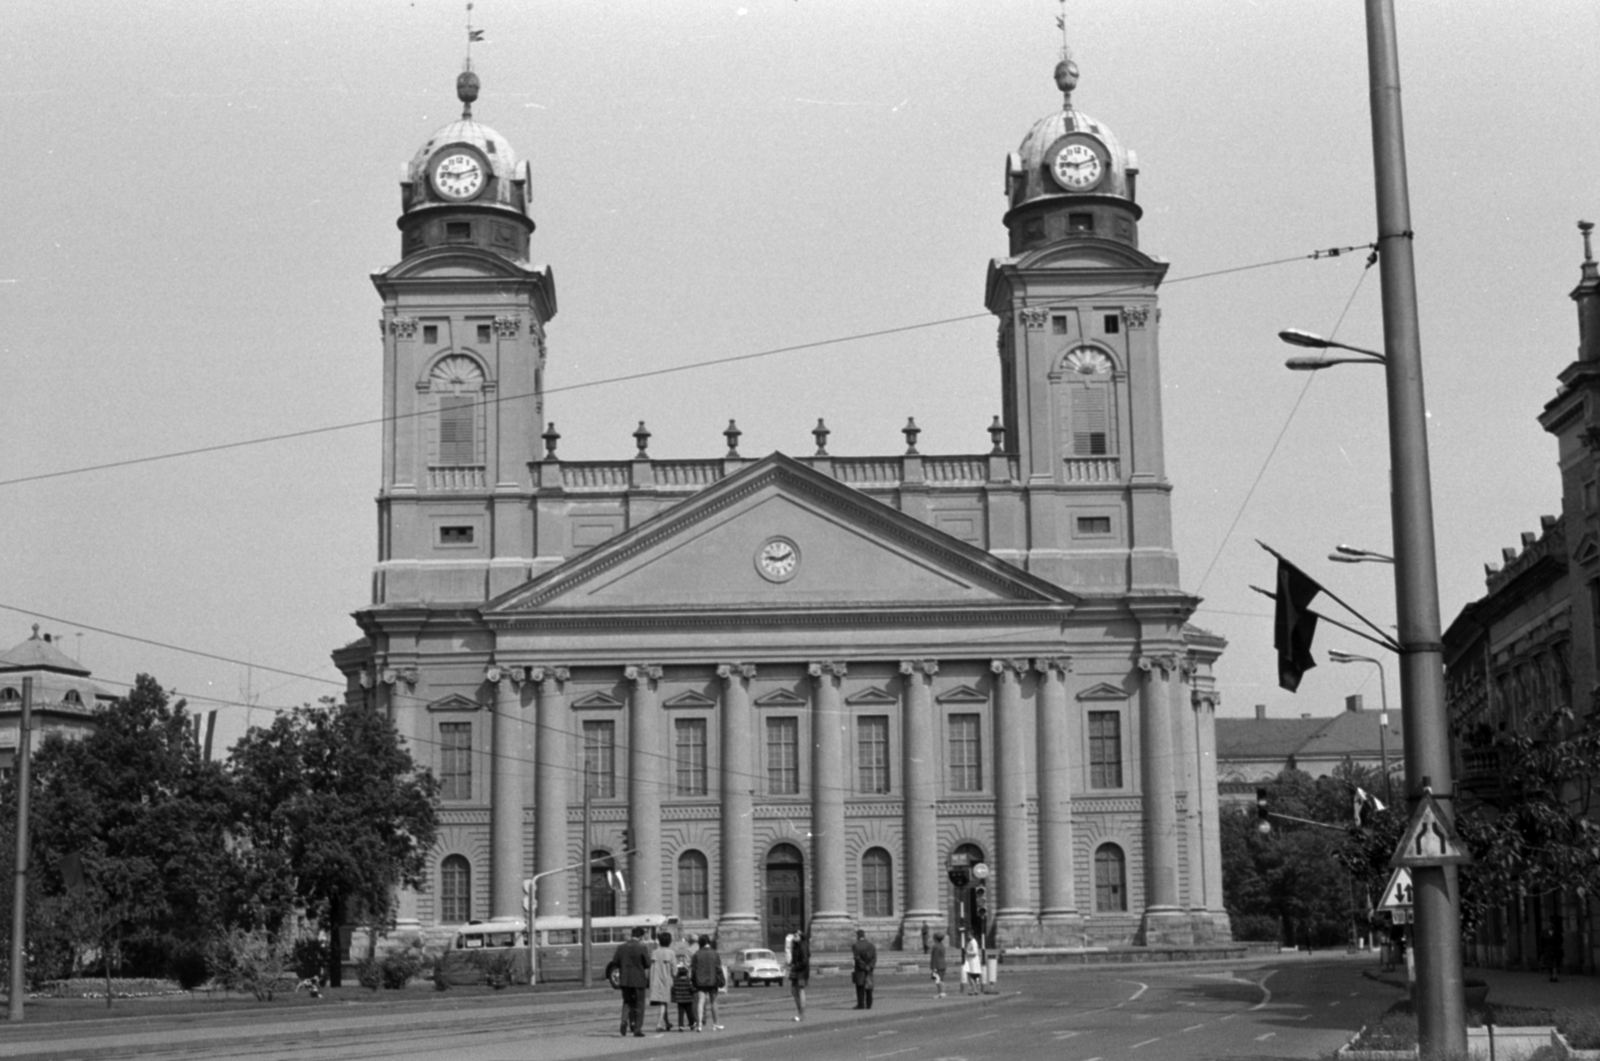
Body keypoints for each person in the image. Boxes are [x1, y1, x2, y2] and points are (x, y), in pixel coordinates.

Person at [612, 925, 652, 1037]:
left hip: (625, 978)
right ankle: (637, 1029)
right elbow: (648, 963)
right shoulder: (642, 947)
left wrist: (623, 966)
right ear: (640, 936)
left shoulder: (621, 947)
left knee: (627, 1001)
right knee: (640, 1004)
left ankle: (624, 1021)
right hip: (638, 979)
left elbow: (615, 961)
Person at [690, 934, 723, 1031]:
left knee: (700, 1002)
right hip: (713, 980)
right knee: (713, 1002)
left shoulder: (697, 954)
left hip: (700, 981)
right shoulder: (714, 953)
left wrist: (693, 980)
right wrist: (721, 979)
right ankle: (715, 1023)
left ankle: (699, 1024)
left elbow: (694, 969)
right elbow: (718, 968)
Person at [649, 931, 677, 1031]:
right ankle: (659, 1024)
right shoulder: (671, 953)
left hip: (655, 979)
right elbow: (674, 970)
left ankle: (667, 1022)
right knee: (663, 1002)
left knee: (663, 1002)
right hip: (666, 980)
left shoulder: (654, 952)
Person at [851, 928, 877, 1010]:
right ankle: (869, 1004)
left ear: (858, 936)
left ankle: (861, 1004)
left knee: (860, 987)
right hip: (869, 969)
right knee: (868, 986)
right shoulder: (871, 945)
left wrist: (863, 966)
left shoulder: (855, 945)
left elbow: (857, 958)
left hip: (860, 969)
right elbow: (874, 958)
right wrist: (869, 966)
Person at [788, 929, 809, 1021]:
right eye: (794, 935)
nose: (794, 936)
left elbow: (804, 962)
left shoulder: (803, 946)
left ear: (800, 937)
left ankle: (802, 1014)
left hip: (802, 973)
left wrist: (795, 966)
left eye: (796, 935)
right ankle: (800, 1012)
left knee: (800, 991)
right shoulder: (796, 946)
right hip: (796, 972)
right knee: (793, 990)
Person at [671, 959, 697, 1031]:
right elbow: (692, 989)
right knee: (690, 1013)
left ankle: (681, 1025)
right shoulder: (688, 981)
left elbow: (673, 989)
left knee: (680, 1014)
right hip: (688, 999)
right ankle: (692, 1023)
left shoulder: (676, 982)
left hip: (679, 1000)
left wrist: (674, 997)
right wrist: (694, 991)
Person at [929, 931, 947, 998]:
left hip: (937, 965)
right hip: (943, 964)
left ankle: (941, 993)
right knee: (941, 979)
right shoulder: (942, 946)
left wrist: (933, 967)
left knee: (937, 980)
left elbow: (934, 957)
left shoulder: (936, 946)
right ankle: (942, 992)